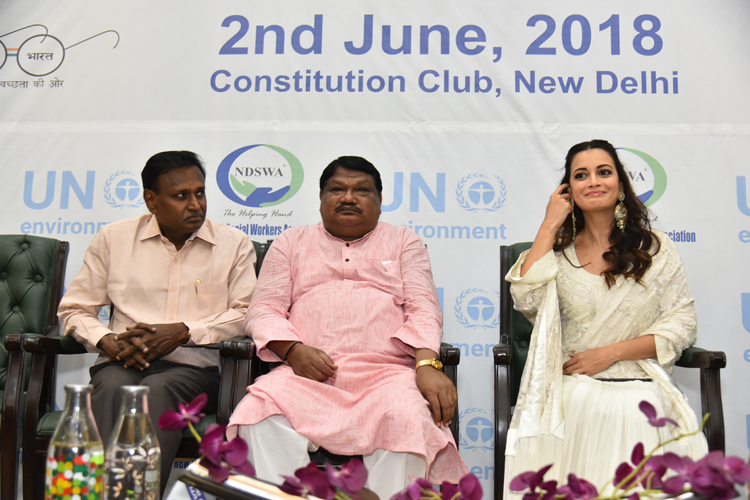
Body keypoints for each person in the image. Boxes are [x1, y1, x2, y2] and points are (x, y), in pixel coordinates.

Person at [228, 156, 467, 500]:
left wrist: (427, 364)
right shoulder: (291, 242)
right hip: (305, 376)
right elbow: (263, 309)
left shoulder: (403, 241)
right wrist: (292, 351)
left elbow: (423, 308)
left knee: (409, 419)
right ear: (321, 198)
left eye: (362, 190)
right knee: (258, 415)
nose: (349, 197)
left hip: (386, 376)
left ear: (380, 201)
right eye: (337, 189)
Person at [503, 140, 708, 496]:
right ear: (568, 190)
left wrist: (610, 353)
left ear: (621, 184)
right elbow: (527, 299)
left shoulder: (656, 248)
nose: (594, 181)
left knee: (634, 410)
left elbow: (682, 322)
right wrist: (549, 224)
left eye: (603, 172)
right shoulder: (556, 254)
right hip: (572, 385)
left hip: (639, 381)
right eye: (581, 175)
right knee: (579, 406)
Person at [58, 150, 257, 495]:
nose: (195, 204)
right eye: (181, 196)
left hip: (196, 372)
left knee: (156, 390)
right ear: (151, 200)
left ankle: (131, 494)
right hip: (122, 363)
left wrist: (185, 332)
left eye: (200, 193)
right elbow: (74, 309)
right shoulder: (114, 239)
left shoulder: (233, 244)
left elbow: (247, 315)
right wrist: (106, 340)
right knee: (112, 386)